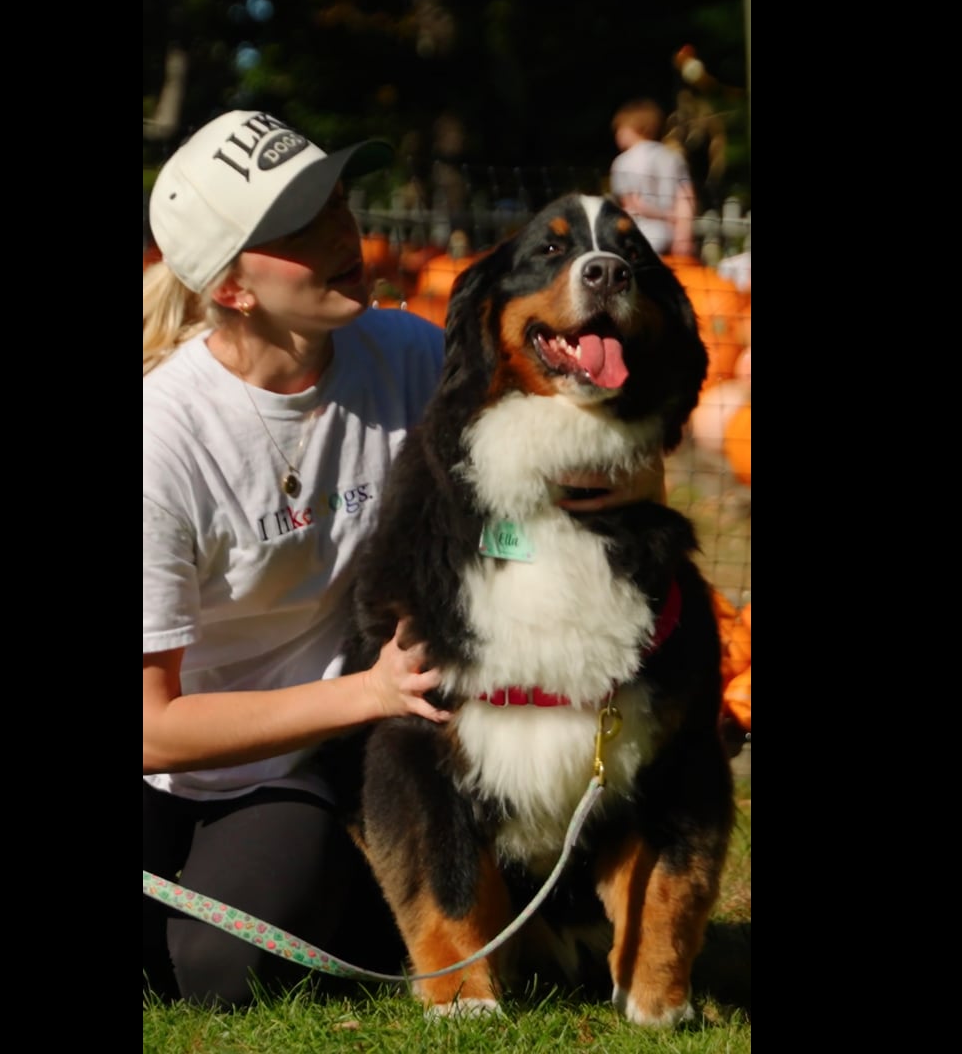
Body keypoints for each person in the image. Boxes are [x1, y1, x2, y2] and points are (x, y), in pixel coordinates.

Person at [142, 109, 661, 1008]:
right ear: (232, 287)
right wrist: (371, 693)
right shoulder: (165, 440)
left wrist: (624, 477)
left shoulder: (411, 356)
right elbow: (151, 728)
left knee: (228, 968)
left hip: (295, 772)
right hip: (177, 758)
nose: (344, 232)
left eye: (337, 200)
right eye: (301, 227)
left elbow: (569, 456)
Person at [609, 98, 697, 257]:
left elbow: (633, 204)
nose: (618, 135)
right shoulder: (673, 157)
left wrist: (663, 215)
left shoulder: (622, 162)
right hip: (670, 233)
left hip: (641, 235)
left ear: (635, 127)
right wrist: (683, 234)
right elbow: (685, 197)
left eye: (620, 129)